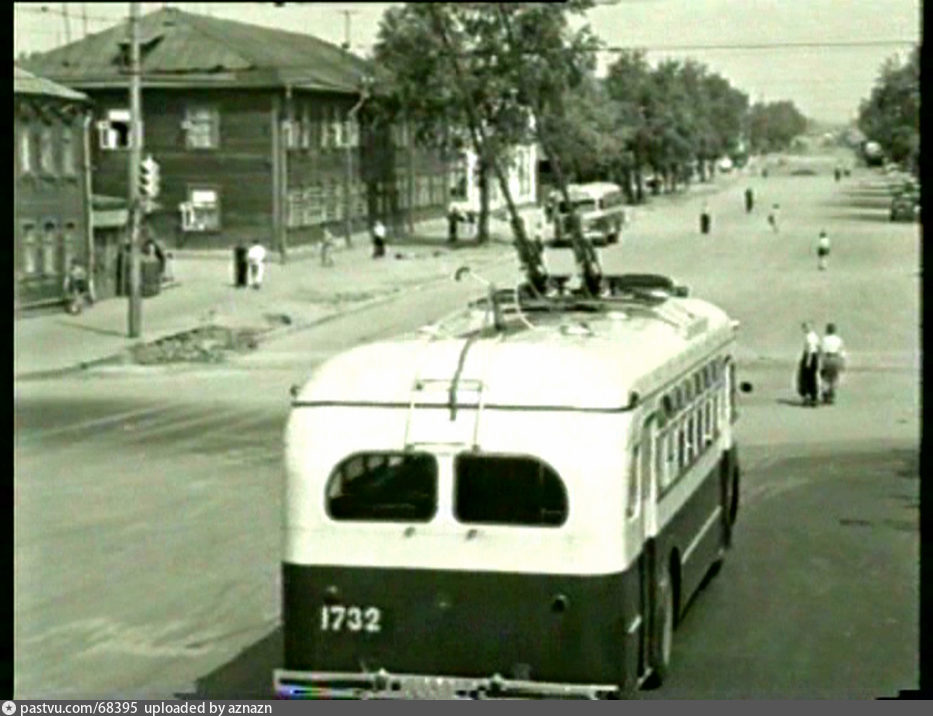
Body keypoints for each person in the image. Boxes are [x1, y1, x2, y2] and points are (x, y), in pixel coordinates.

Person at [819, 323, 847, 404]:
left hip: (827, 358)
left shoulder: (824, 339)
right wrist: (843, 362)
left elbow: (821, 351)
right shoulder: (838, 340)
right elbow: (842, 352)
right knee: (834, 377)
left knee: (825, 377)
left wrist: (820, 361)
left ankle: (826, 393)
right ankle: (831, 392)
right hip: (835, 358)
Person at [797, 322, 821, 407]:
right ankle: (813, 396)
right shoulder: (815, 336)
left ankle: (807, 396)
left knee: (806, 378)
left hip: (809, 357)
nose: (804, 329)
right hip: (814, 357)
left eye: (805, 327)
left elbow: (811, 349)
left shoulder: (809, 337)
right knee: (812, 378)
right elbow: (818, 347)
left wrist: (808, 361)